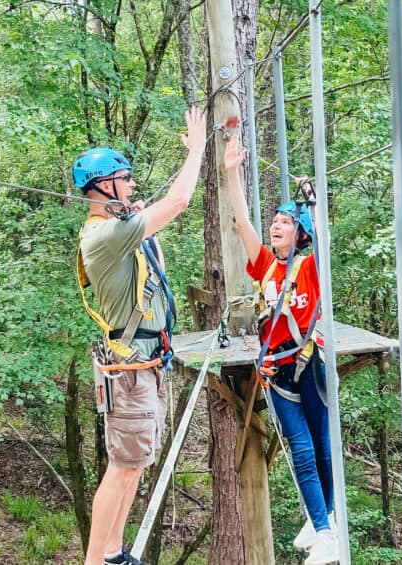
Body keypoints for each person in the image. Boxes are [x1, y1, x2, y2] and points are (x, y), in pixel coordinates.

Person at [75, 107, 206, 565]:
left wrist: (132, 213)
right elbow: (179, 203)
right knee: (122, 466)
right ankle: (96, 560)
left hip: (145, 365)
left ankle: (111, 552)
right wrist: (197, 149)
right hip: (130, 371)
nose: (132, 187)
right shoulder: (104, 235)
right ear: (104, 185)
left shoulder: (119, 228)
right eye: (125, 179)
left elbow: (155, 255)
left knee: (134, 465)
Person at [223, 134, 338, 565]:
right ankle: (322, 527)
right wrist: (233, 172)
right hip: (275, 368)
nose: (276, 225)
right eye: (274, 221)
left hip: (308, 361)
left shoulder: (309, 266)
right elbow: (241, 224)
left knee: (322, 447)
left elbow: (324, 244)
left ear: (300, 231)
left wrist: (312, 204)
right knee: (300, 449)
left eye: (285, 222)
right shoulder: (266, 266)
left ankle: (327, 518)